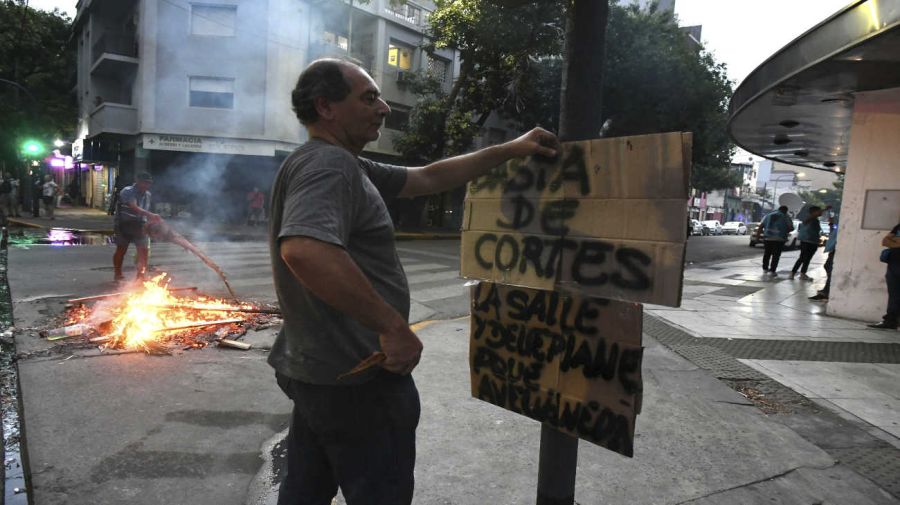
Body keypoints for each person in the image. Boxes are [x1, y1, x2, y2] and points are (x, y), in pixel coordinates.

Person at [268, 58, 559, 505]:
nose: (383, 107)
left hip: (322, 373)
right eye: (368, 98)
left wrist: (510, 149)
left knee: (305, 491)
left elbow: (428, 177)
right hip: (358, 377)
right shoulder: (331, 166)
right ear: (326, 107)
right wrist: (391, 326)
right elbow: (304, 249)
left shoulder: (347, 164)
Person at [112, 173, 161, 281]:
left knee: (143, 250)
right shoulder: (128, 191)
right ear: (137, 181)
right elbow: (134, 206)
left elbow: (144, 211)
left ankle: (140, 276)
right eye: (144, 182)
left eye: (148, 183)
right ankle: (117, 273)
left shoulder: (147, 194)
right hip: (123, 224)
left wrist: (149, 223)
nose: (146, 185)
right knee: (121, 249)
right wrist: (151, 215)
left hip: (139, 225)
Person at [869, 220, 900, 329]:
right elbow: (885, 241)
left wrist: (895, 241)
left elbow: (890, 240)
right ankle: (890, 321)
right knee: (894, 295)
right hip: (894, 265)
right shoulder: (898, 226)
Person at [755, 205, 794, 276]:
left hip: (768, 238)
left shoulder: (768, 215)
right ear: (785, 211)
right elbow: (791, 228)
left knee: (767, 253)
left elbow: (761, 226)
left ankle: (765, 268)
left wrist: (757, 237)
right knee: (776, 255)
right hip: (779, 239)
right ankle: (772, 270)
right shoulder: (786, 217)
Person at [790, 206, 823, 280]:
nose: (821, 212)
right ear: (814, 212)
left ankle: (800, 274)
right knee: (803, 258)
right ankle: (794, 273)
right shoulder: (811, 219)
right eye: (819, 211)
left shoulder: (812, 219)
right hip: (809, 241)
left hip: (809, 241)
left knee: (805, 258)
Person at [810, 217, 837, 301]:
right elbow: (833, 233)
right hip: (833, 249)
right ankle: (826, 291)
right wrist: (831, 224)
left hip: (835, 249)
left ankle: (826, 292)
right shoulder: (838, 227)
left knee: (830, 269)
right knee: (828, 267)